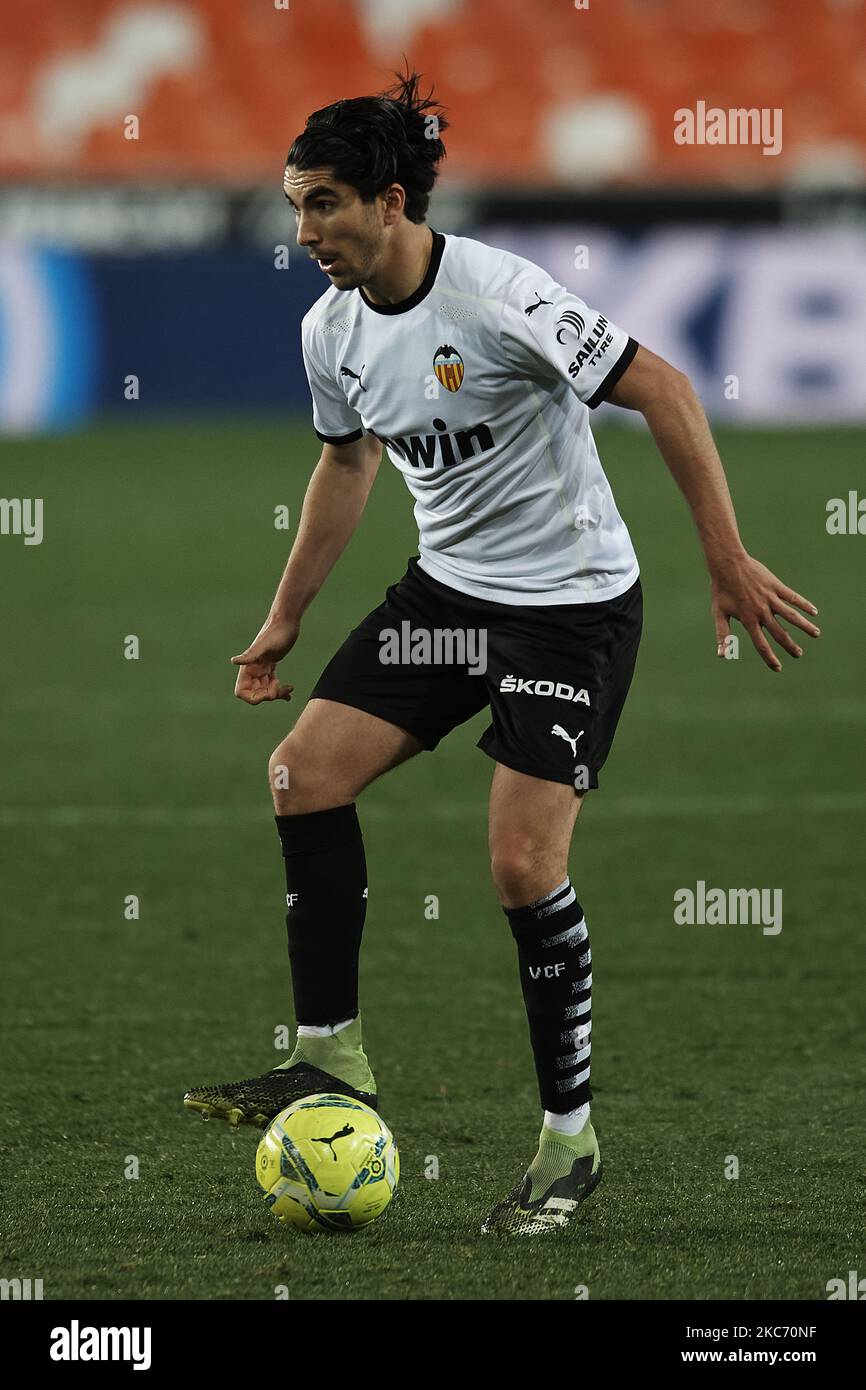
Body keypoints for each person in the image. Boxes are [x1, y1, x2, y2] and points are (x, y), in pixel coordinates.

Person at [184, 68, 819, 1235]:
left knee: (522, 870)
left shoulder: (498, 295)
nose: (304, 231)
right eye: (292, 205)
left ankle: (567, 1144)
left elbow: (664, 388)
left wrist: (723, 558)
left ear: (388, 200)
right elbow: (346, 464)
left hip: (569, 608)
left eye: (323, 203)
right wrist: (284, 618)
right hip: (449, 599)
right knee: (300, 774)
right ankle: (331, 1062)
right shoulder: (328, 329)